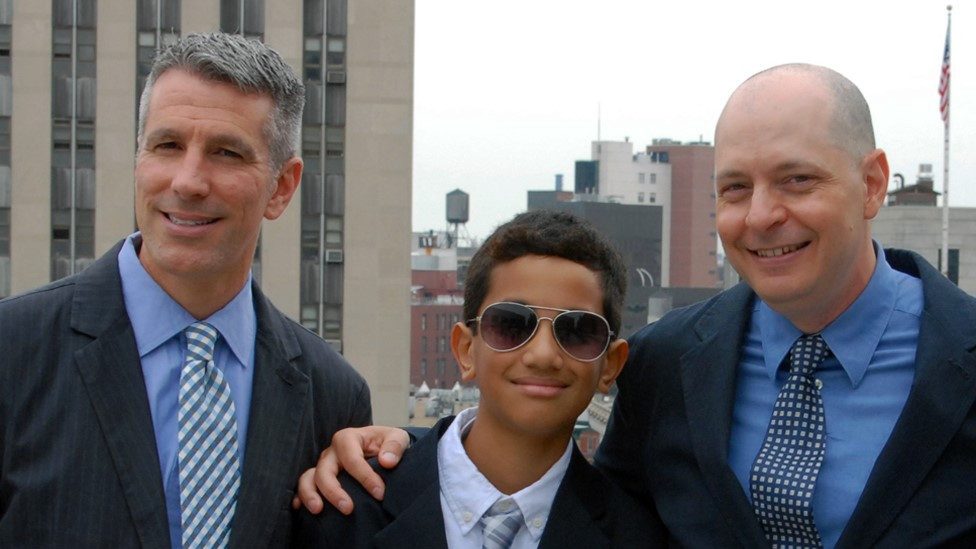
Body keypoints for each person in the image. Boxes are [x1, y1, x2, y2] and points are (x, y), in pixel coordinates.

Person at [297, 63, 976, 548]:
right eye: (735, 188)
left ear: (872, 183)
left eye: (797, 179)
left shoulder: (961, 357)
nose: (763, 215)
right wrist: (408, 450)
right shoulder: (668, 365)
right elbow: (579, 495)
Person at [0, 32, 372, 548]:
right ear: (138, 158)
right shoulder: (12, 350)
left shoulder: (332, 395)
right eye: (168, 145)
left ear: (282, 187)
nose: (189, 181)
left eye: (226, 153)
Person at [294, 210, 665, 548]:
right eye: (511, 324)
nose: (543, 355)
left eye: (578, 331)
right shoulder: (343, 509)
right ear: (465, 350)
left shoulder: (640, 538)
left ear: (611, 365)